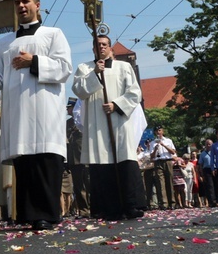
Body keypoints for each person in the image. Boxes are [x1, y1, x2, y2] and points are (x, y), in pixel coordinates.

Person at [0, 0, 72, 230]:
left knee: (45, 161)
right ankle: (27, 213)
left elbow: (64, 67)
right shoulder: (5, 42)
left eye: (26, 1)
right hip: (18, 112)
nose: (21, 6)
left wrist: (34, 61)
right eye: (17, 2)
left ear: (38, 5)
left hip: (46, 111)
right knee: (25, 163)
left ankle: (48, 215)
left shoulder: (53, 34)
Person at [72, 34, 146, 220]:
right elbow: (79, 90)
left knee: (125, 163)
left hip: (120, 123)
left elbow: (135, 92)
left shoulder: (124, 67)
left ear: (110, 48)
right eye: (98, 45)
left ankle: (131, 205)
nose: (101, 47)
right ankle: (105, 208)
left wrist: (116, 105)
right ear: (93, 50)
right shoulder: (84, 68)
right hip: (96, 125)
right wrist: (95, 73)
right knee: (101, 168)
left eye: (105, 44)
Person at [67, 98, 90, 218]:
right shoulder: (68, 123)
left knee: (89, 184)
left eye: (70, 107)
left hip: (84, 157)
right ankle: (83, 210)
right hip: (74, 159)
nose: (68, 110)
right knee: (78, 186)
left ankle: (93, 207)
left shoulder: (84, 120)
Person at [148, 126, 177, 210]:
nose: (158, 132)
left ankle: (172, 202)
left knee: (169, 181)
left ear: (162, 131)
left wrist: (163, 145)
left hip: (167, 161)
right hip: (158, 162)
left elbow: (173, 152)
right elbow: (151, 156)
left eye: (159, 130)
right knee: (160, 183)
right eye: (156, 131)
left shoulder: (168, 141)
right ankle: (164, 203)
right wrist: (155, 149)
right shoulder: (153, 143)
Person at [198, 139, 215, 207]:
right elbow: (200, 165)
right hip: (207, 170)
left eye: (210, 144)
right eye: (207, 144)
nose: (208, 145)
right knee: (210, 186)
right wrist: (201, 174)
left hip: (215, 169)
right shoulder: (202, 154)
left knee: (217, 185)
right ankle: (211, 201)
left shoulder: (215, 152)